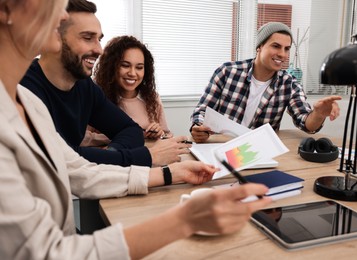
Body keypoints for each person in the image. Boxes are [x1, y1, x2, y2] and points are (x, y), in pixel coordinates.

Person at [0, 0, 273, 259]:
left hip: (70, 233)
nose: (60, 15)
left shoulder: (28, 103)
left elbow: (79, 170)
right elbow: (46, 253)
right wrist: (183, 219)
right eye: (87, 37)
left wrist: (168, 174)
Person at [20, 0, 186, 167]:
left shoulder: (85, 86)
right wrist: (147, 157)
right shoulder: (23, 88)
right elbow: (62, 156)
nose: (99, 49)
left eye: (99, 39)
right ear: (53, 37)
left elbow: (131, 130)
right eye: (87, 38)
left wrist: (111, 155)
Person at [190, 22, 342, 143]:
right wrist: (198, 127)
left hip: (257, 151)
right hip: (220, 146)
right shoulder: (227, 72)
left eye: (287, 48)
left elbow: (306, 123)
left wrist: (318, 114)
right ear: (259, 47)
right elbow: (202, 110)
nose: (282, 54)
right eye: (276, 46)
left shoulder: (289, 84)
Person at [82, 35, 172, 147]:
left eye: (139, 67)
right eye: (125, 65)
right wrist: (125, 135)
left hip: (148, 156)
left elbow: (168, 135)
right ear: (111, 66)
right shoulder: (97, 97)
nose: (133, 73)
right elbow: (81, 138)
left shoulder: (153, 98)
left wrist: (160, 133)